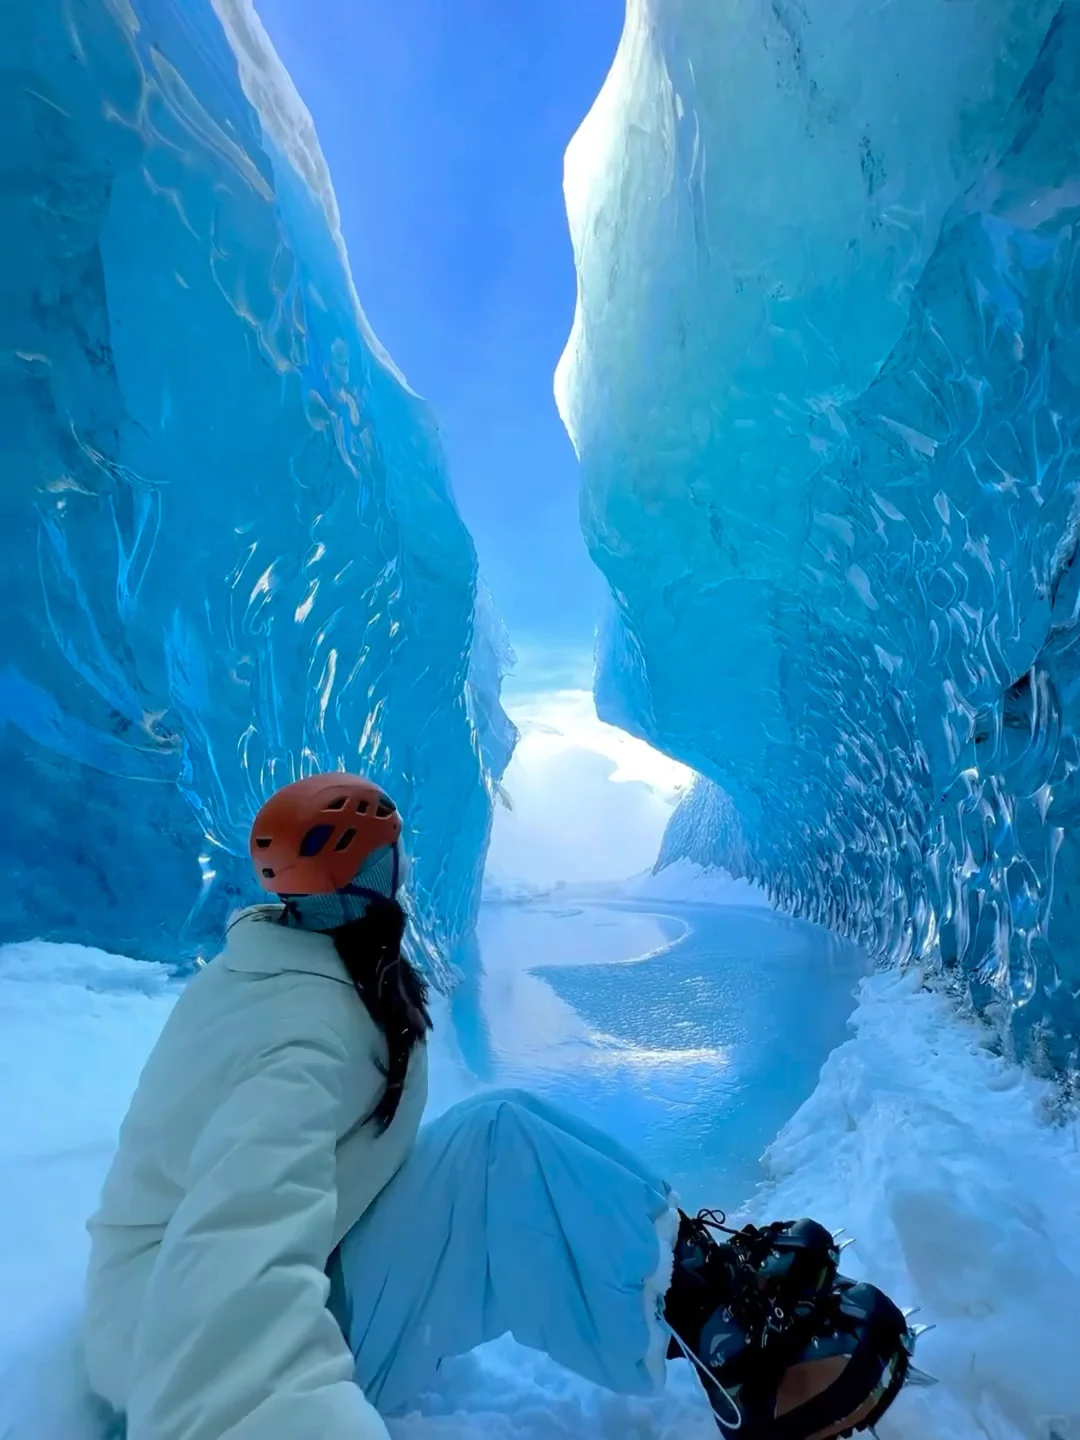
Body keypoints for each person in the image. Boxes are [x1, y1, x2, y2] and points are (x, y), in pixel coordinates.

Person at [84, 772, 924, 1440]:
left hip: (208, 1295)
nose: (405, 871)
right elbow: (233, 1249)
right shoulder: (297, 1037)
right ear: (374, 876)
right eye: (393, 858)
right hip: (184, 1352)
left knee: (502, 1129)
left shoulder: (283, 968)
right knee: (502, 1162)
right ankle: (740, 1357)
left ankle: (695, 1286)